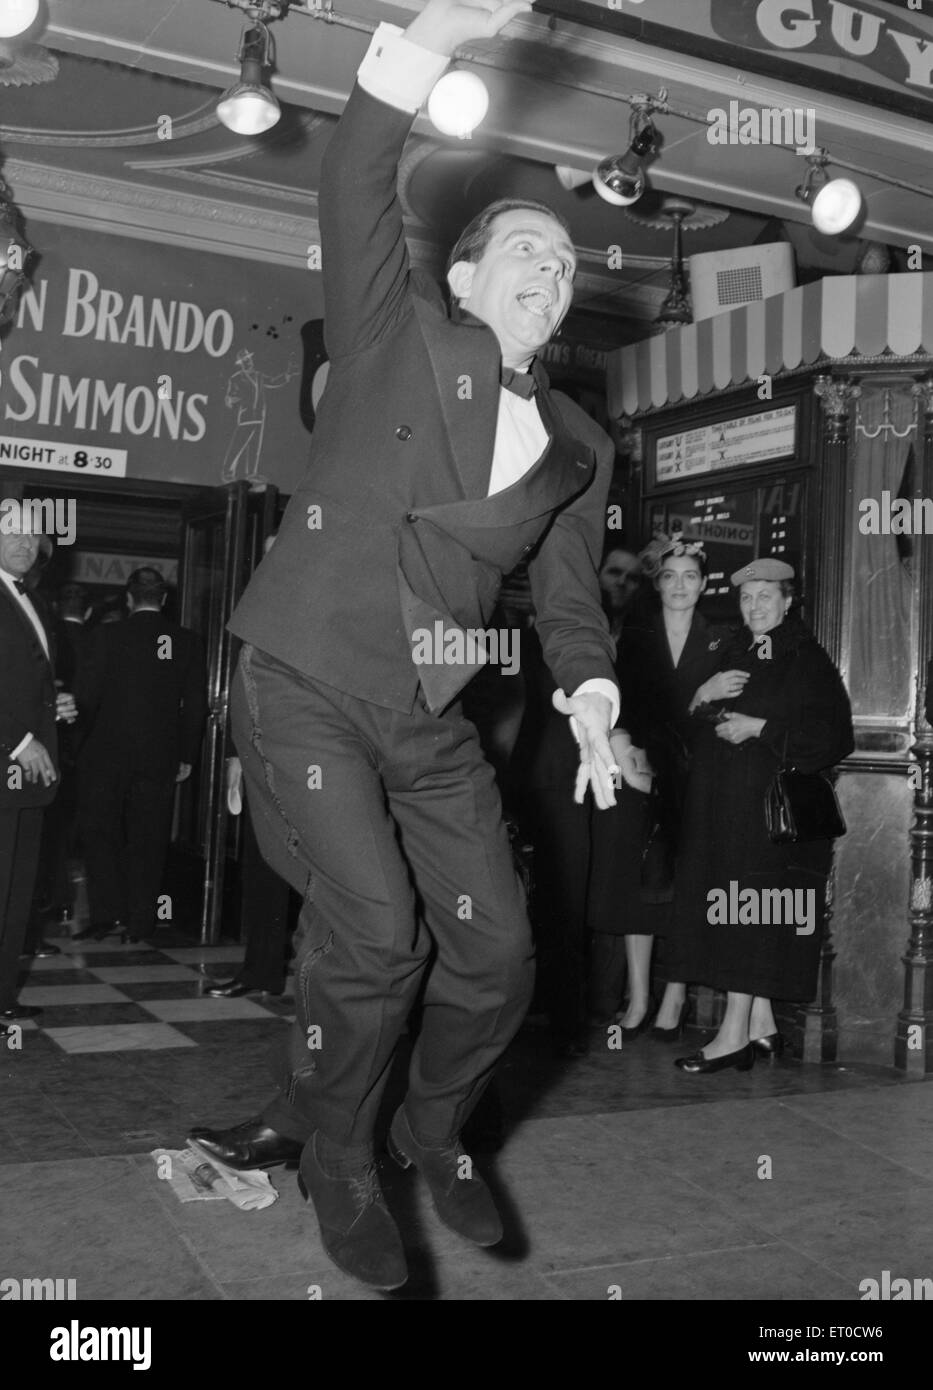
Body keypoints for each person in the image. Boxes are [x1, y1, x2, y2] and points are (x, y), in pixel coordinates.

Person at [189, 0, 650, 1293]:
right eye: (527, 250)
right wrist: (430, 32)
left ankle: (430, 1128)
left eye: (566, 267)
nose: (552, 275)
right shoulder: (396, 333)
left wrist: (595, 697)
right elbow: (355, 167)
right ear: (463, 278)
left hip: (422, 713)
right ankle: (338, 1156)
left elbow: (565, 600)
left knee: (500, 951)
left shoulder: (578, 443)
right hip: (303, 678)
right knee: (381, 933)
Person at [666, 559, 853, 1074]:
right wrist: (702, 697)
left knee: (749, 917)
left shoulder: (807, 658)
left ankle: (732, 1037)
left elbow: (834, 737)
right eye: (747, 598)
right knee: (729, 912)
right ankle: (762, 1024)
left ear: (788, 600)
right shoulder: (730, 652)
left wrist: (761, 727)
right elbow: (683, 735)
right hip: (720, 813)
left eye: (766, 596)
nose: (755, 607)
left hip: (767, 821)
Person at [587, 534, 727, 1038]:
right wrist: (626, 749)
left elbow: (715, 717)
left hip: (692, 777)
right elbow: (621, 701)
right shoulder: (638, 637)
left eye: (691, 576)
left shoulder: (719, 638)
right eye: (670, 576)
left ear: (704, 584)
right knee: (635, 889)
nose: (680, 586)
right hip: (638, 771)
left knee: (683, 890)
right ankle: (639, 997)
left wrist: (702, 695)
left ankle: (675, 995)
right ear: (659, 583)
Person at [75, 567, 207, 943]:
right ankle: (140, 923)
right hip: (159, 755)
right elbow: (195, 706)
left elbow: (87, 697)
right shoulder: (186, 641)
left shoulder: (105, 635)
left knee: (101, 833)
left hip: (104, 754)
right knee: (149, 838)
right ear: (164, 599)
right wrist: (186, 754)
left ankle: (105, 915)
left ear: (128, 598)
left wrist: (77, 748)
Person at [0, 519, 76, 1033]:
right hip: (11, 760)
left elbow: (25, 682)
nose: (25, 543)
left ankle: (3, 995)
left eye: (32, 537)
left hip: (30, 773)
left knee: (16, 891)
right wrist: (20, 741)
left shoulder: (32, 599)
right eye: (11, 534)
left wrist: (57, 705)